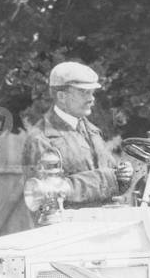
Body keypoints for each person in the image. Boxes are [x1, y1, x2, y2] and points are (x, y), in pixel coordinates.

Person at [22, 62, 134, 210]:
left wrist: (124, 175)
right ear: (62, 96)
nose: (92, 99)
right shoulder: (40, 139)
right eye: (84, 92)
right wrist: (109, 178)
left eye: (92, 93)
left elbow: (112, 176)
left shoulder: (92, 131)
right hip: (70, 228)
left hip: (103, 223)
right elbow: (45, 197)